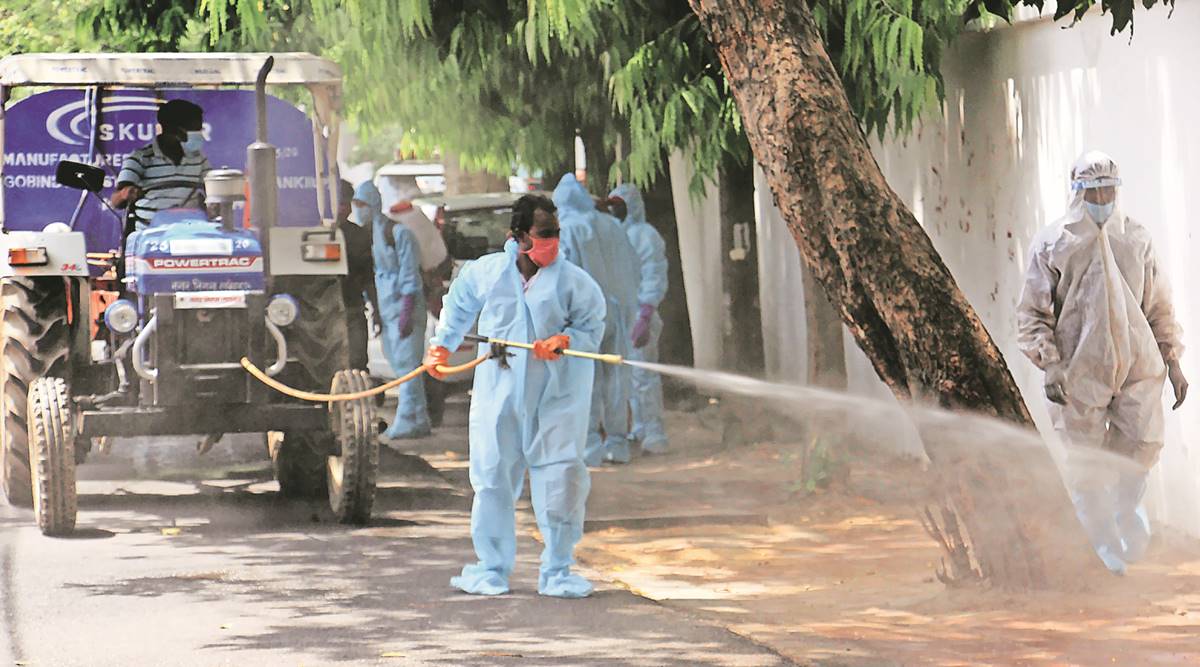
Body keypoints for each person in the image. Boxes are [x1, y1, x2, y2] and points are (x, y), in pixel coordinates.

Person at [424, 194, 605, 598]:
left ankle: (558, 569)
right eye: (544, 234)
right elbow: (457, 307)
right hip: (499, 390)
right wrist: (442, 345)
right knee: (492, 477)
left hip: (557, 395)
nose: (553, 242)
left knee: (561, 478)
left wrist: (566, 338)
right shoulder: (486, 273)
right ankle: (491, 566)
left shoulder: (574, 282)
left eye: (556, 234)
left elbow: (593, 325)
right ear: (520, 236)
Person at [1017, 150, 1188, 575]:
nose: (1102, 197)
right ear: (1077, 192)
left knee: (1143, 445)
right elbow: (1033, 314)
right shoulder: (1053, 243)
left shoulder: (1136, 239)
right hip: (1079, 372)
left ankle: (1126, 514)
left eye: (1109, 189)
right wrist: (1051, 364)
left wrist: (1173, 361)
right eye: (1093, 190)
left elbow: (1159, 307)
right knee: (1087, 462)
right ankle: (1101, 548)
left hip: (1138, 366)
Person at [553, 174, 640, 466]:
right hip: (619, 309)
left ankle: (590, 445)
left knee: (584, 379)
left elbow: (564, 275)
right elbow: (633, 266)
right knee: (617, 377)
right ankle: (618, 444)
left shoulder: (568, 229)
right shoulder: (613, 226)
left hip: (585, 315)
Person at [358, 181, 430, 439]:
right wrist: (377, 311)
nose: (359, 210)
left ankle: (407, 419)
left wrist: (407, 311)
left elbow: (410, 276)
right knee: (401, 365)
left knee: (408, 367)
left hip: (404, 307)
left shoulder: (399, 234)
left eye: (361, 204)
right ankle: (418, 417)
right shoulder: (372, 235)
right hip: (388, 308)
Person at [608, 184, 670, 454]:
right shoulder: (616, 234)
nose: (614, 209)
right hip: (621, 314)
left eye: (619, 204)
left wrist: (645, 312)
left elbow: (655, 274)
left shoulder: (646, 235)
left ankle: (656, 432)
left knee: (644, 375)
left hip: (641, 313)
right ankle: (641, 428)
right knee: (628, 376)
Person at [112, 99, 212, 231]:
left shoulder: (198, 158)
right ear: (177, 131)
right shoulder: (140, 158)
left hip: (189, 233)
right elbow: (115, 201)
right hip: (150, 236)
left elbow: (212, 189)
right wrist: (125, 194)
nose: (200, 135)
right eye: (196, 130)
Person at [337, 179, 380, 370]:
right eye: (339, 203)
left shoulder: (359, 235)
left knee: (357, 363)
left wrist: (377, 311)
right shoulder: (315, 234)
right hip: (322, 313)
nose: (343, 209)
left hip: (353, 308)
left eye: (347, 204)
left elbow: (368, 277)